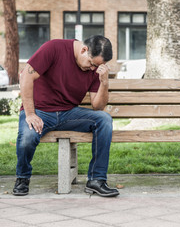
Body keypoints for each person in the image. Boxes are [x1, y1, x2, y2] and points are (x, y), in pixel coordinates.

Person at [13, 35, 119, 197]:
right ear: (84, 50)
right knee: (27, 137)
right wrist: (30, 113)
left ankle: (96, 180)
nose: (92, 69)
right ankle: (22, 178)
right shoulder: (54, 48)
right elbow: (26, 76)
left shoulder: (95, 69)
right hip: (40, 111)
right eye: (91, 63)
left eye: (97, 66)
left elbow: (97, 106)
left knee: (104, 119)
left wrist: (104, 82)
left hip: (69, 114)